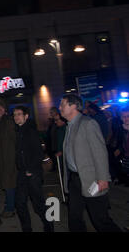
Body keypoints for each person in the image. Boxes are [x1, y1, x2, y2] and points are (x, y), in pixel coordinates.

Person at [59, 94, 121, 232]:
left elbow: (100, 152)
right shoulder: (69, 126)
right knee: (74, 217)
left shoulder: (87, 123)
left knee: (100, 220)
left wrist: (103, 178)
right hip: (74, 179)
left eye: (62, 105)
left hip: (91, 179)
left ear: (73, 106)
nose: (60, 108)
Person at [13, 106, 54, 232]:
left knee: (38, 204)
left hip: (32, 173)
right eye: (14, 114)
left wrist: (30, 170)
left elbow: (39, 153)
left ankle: (49, 226)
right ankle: (27, 228)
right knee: (20, 203)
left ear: (26, 116)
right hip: (22, 173)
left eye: (19, 114)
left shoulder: (30, 131)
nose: (16, 117)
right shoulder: (19, 131)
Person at [0, 102, 17, 218]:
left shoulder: (7, 121)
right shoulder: (1, 122)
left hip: (9, 159)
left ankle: (10, 208)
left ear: (4, 110)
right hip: (6, 158)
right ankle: (10, 205)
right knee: (9, 184)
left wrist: (13, 157)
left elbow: (14, 140)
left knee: (9, 184)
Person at [113, 107, 129, 185]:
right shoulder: (120, 129)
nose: (126, 119)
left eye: (128, 116)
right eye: (124, 117)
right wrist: (119, 149)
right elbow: (120, 142)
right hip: (125, 156)